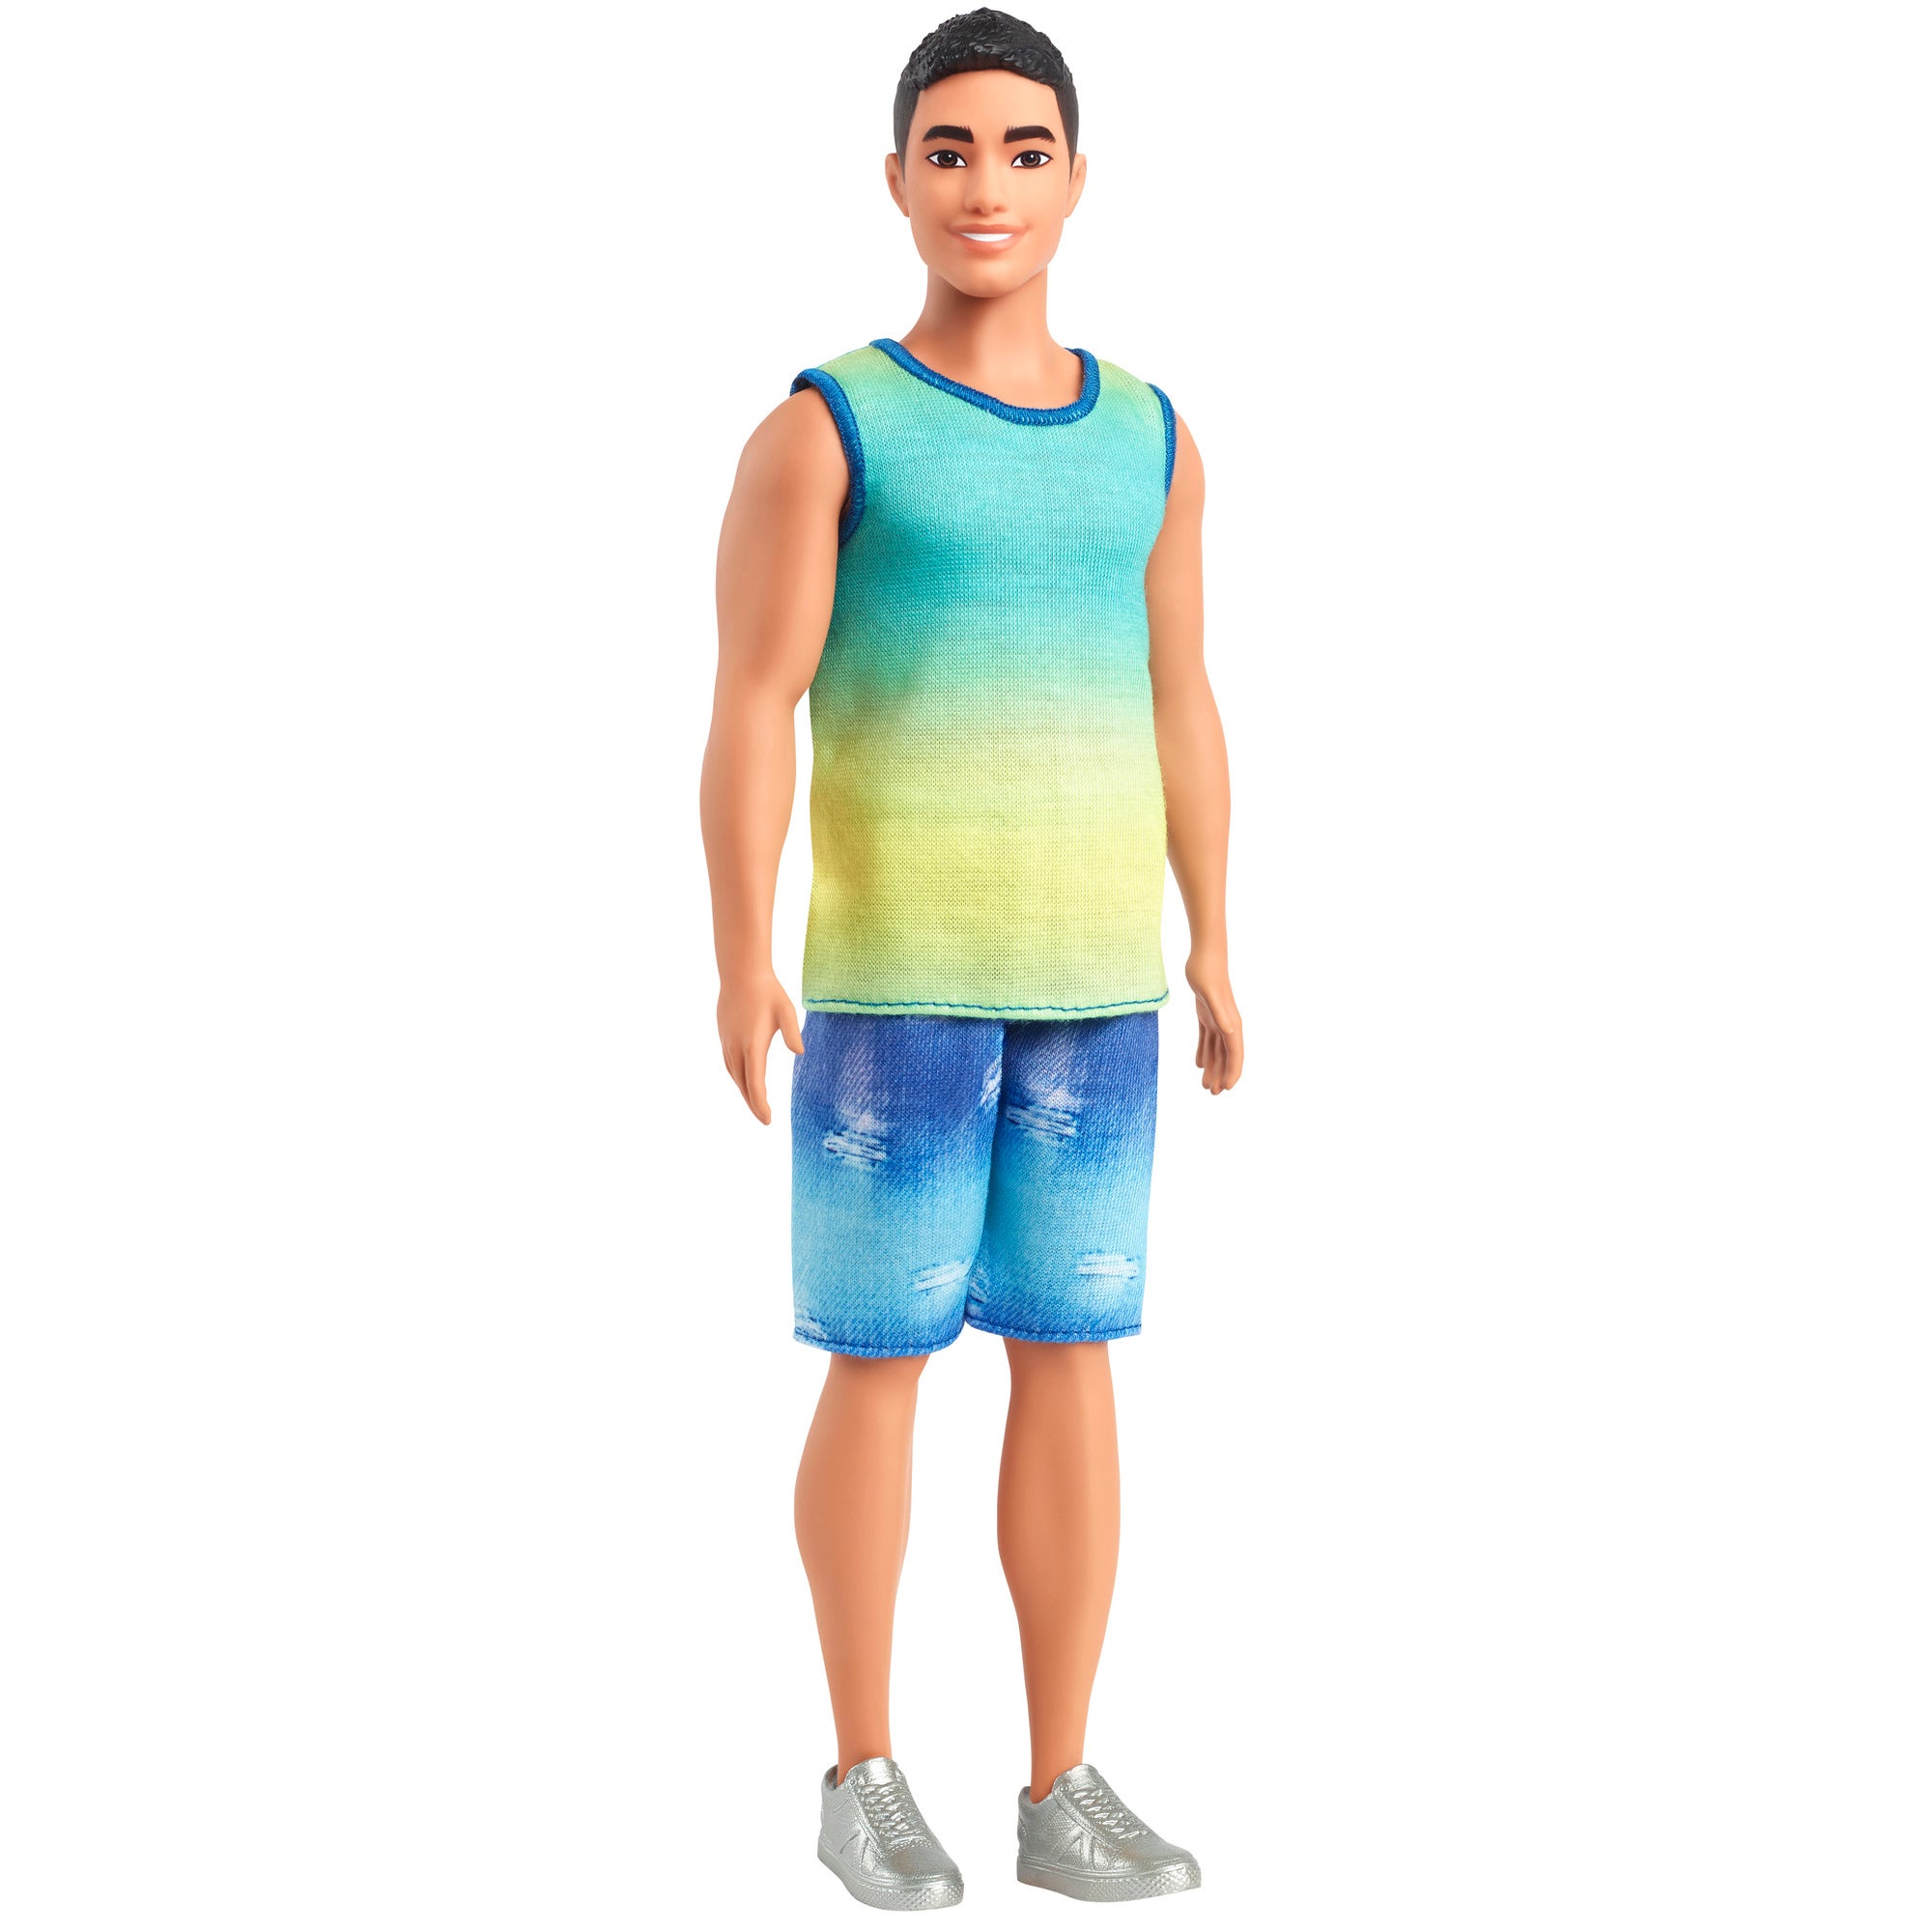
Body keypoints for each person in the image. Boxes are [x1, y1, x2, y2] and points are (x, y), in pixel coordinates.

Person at [699, 10, 1242, 1909]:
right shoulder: (828, 425)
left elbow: (1183, 692)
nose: (986, 185)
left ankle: (1058, 1777)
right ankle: (858, 1766)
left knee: (1074, 1359)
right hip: (897, 989)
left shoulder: (1152, 436)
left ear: (1077, 178)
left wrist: (1215, 933)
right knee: (878, 1364)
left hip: (1097, 986)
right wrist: (738, 952)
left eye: (1023, 149)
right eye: (949, 149)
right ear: (896, 177)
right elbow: (751, 701)